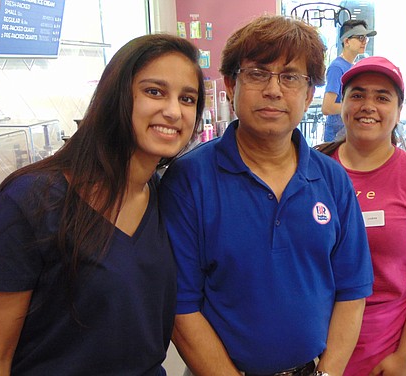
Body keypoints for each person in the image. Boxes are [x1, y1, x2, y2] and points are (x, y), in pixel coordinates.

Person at [0, 34, 205, 375]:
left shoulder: (162, 195)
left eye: (187, 98)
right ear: (116, 97)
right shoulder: (32, 200)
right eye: (154, 91)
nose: (173, 111)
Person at [158, 15, 374, 376]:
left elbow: (352, 292)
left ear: (308, 95)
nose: (274, 90)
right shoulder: (189, 180)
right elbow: (181, 307)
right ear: (230, 84)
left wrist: (327, 373)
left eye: (290, 77)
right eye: (258, 73)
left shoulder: (331, 178)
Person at [316, 56, 406, 376]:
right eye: (357, 94)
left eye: (382, 97)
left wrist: (404, 356)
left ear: (398, 110)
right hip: (314, 345)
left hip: (384, 354)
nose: (368, 105)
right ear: (343, 104)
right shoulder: (311, 170)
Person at [322, 19, 377, 142]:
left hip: (348, 132)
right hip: (336, 137)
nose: (364, 42)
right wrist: (355, 106)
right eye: (360, 38)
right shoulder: (337, 68)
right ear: (346, 41)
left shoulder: (353, 66)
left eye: (366, 38)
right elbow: (327, 107)